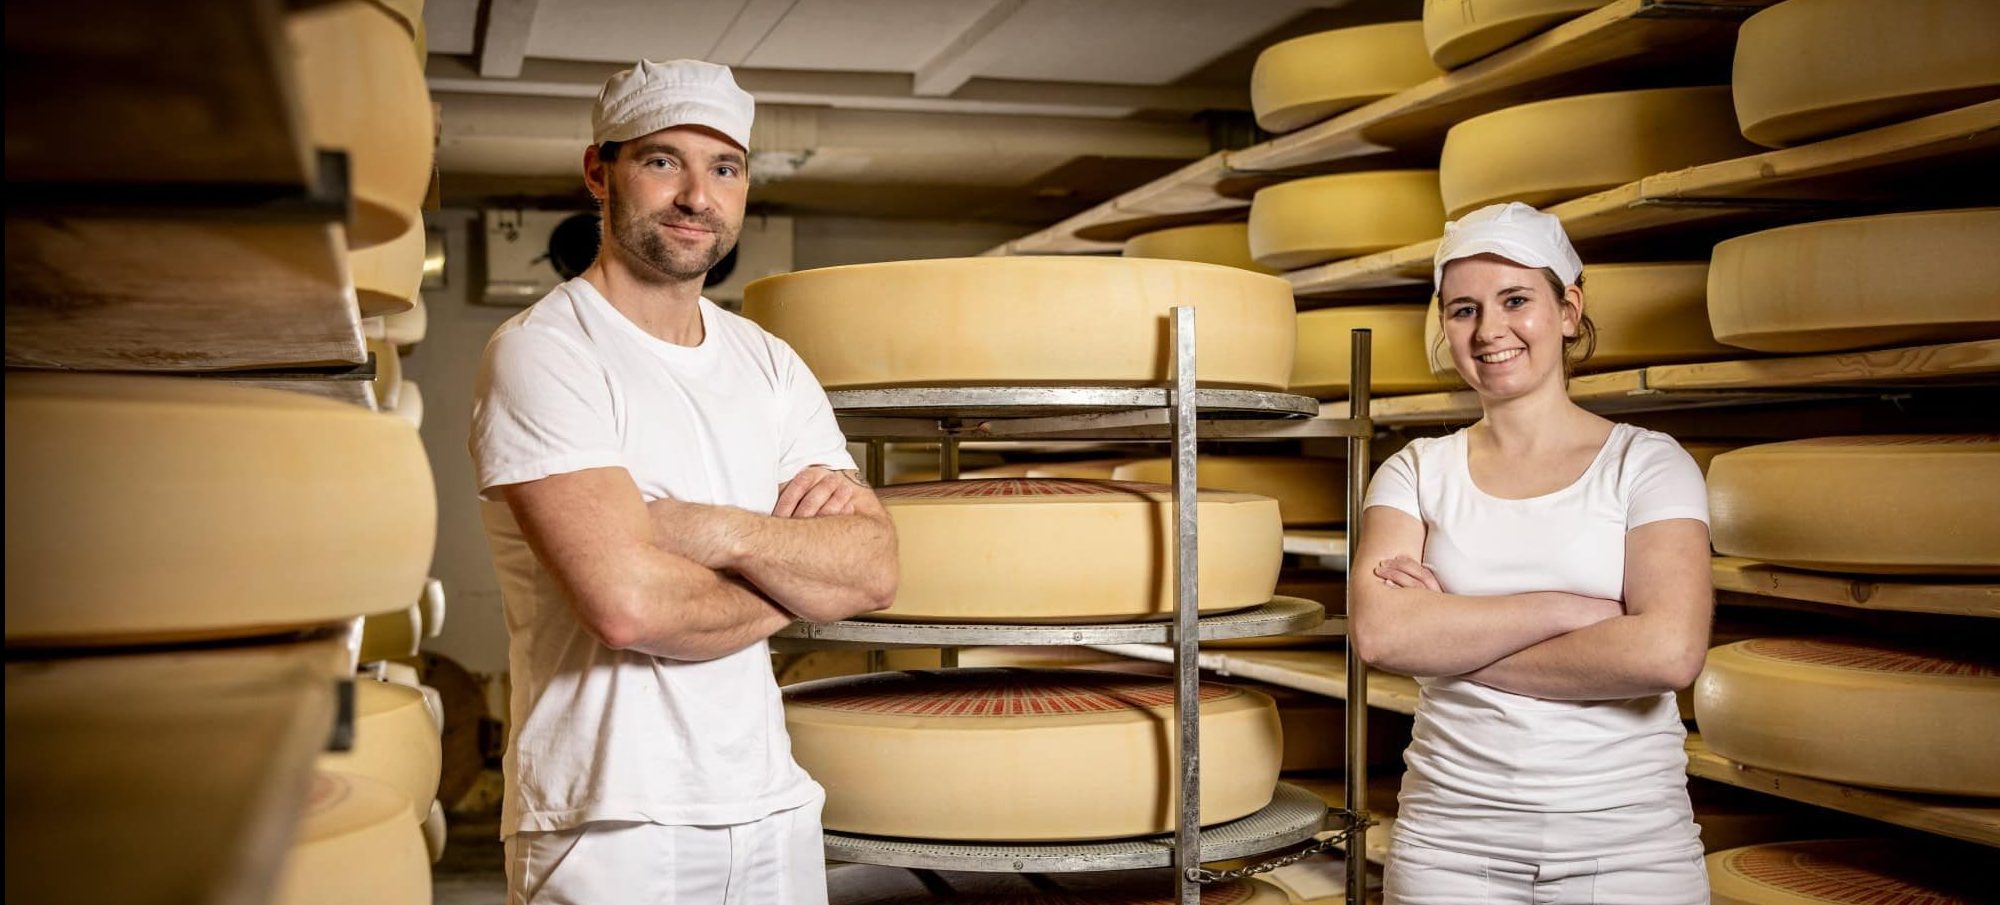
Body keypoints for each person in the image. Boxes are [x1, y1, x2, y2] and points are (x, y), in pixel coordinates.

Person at [469, 59, 898, 905]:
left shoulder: (769, 362)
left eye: (724, 168)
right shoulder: (546, 351)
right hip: (612, 819)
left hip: (770, 803)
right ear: (600, 172)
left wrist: (709, 529)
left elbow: (874, 568)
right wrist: (798, 577)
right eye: (663, 161)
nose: (698, 196)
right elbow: (629, 607)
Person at [1351, 203, 1713, 903]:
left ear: (1568, 310)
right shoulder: (1414, 470)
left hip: (1630, 849)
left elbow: (1667, 653)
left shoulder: (1648, 464)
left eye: (1515, 300)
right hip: (1449, 848)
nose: (1489, 330)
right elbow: (1381, 634)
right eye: (1463, 310)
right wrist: (1570, 610)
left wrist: (1448, 636)